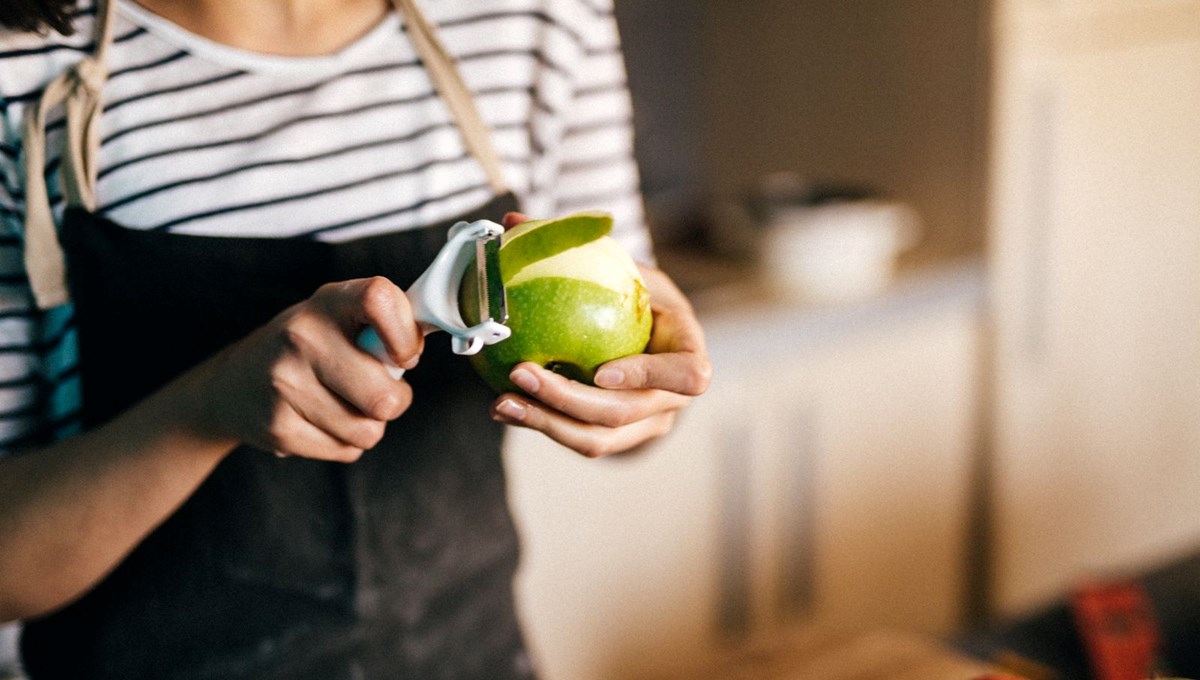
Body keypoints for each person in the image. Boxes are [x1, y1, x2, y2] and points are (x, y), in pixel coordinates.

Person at [0, 0, 712, 678]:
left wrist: (637, 400)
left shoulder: (536, 18)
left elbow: (635, 382)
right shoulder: (27, 69)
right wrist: (208, 407)